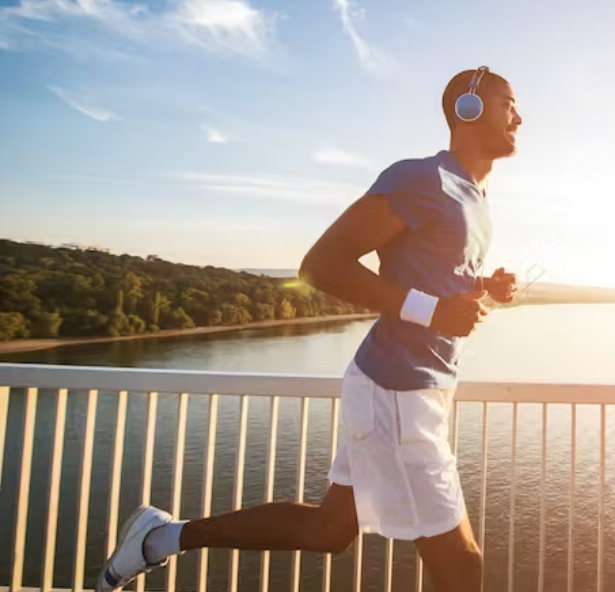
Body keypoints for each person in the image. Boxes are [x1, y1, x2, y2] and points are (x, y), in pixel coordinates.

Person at [97, 66, 522, 592]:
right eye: (509, 105)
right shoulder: (419, 179)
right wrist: (433, 311)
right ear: (469, 110)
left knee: (331, 529)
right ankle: (160, 538)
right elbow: (321, 265)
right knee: (462, 567)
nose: (518, 118)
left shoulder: (474, 199)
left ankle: (161, 538)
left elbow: (435, 280)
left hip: (413, 388)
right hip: (397, 390)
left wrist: (484, 287)